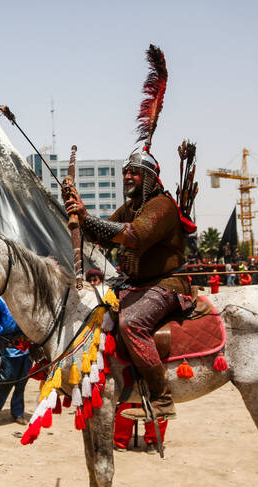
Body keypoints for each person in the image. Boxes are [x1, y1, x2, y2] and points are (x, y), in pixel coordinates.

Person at [65, 146, 191, 421]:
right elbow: (103, 235)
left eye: (134, 172)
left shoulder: (162, 206)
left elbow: (134, 235)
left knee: (131, 323)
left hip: (167, 284)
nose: (128, 176)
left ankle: (162, 399)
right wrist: (77, 214)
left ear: (149, 178)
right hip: (136, 284)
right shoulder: (132, 207)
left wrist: (87, 217)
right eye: (126, 172)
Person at [0, 295, 32, 429]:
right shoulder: (0, 300)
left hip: (28, 348)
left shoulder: (30, 296)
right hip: (9, 347)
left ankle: (18, 412)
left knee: (22, 382)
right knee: (4, 381)